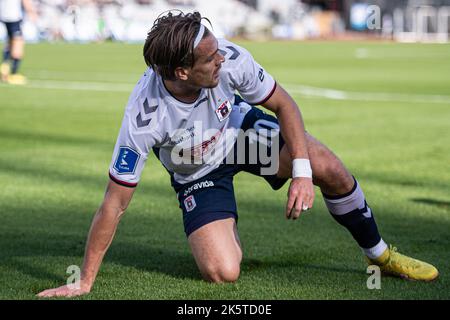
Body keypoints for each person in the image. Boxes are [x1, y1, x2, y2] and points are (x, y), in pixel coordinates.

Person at [37, 11, 438, 298]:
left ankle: (380, 255)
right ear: (180, 72)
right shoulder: (144, 117)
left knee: (327, 167)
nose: (222, 59)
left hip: (241, 134)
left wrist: (301, 172)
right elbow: (114, 204)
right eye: (210, 59)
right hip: (197, 171)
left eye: (217, 51)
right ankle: (221, 223)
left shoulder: (227, 57)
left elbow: (285, 105)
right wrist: (85, 280)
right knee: (223, 272)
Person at [0, 0, 37, 85]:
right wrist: (31, 12)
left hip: (4, 15)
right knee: (18, 44)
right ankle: (13, 73)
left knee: (10, 42)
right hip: (13, 16)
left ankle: (5, 66)